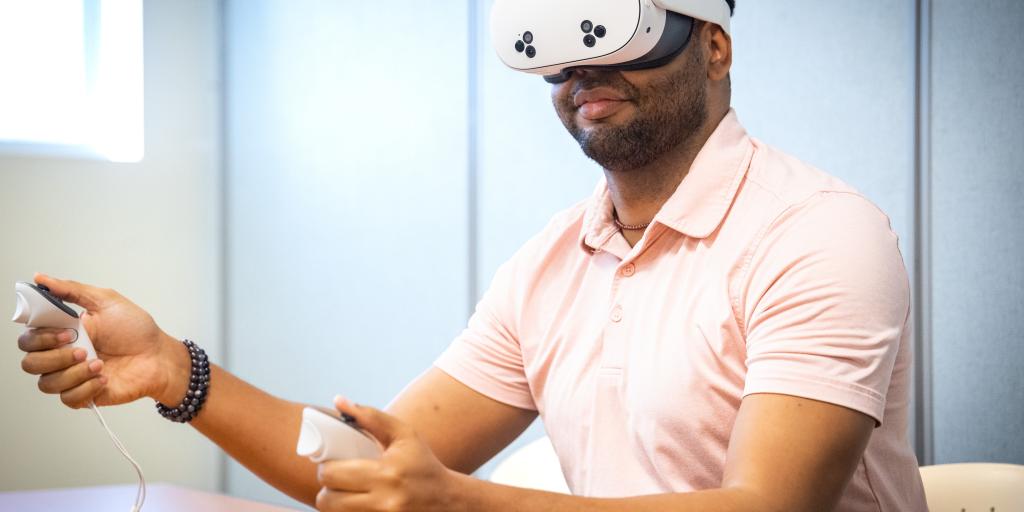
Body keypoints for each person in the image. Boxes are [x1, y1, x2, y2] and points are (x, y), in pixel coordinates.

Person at [17, 2, 929, 510]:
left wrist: (458, 504)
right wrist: (174, 368)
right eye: (562, 59)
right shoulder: (552, 265)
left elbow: (766, 511)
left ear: (715, 47)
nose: (581, 75)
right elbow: (366, 463)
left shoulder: (819, 234)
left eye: (612, 40)